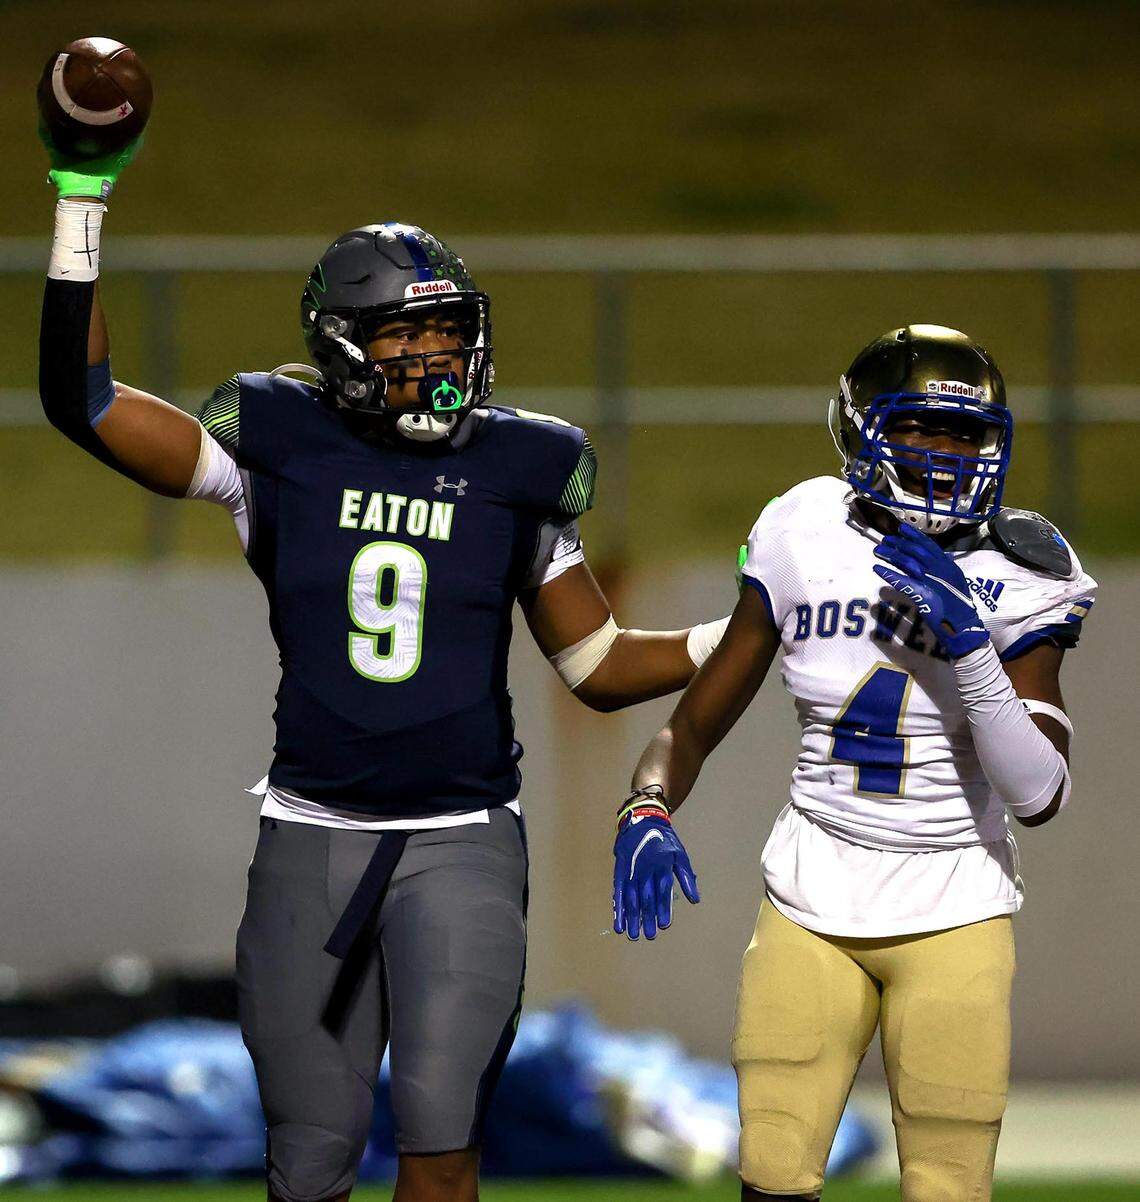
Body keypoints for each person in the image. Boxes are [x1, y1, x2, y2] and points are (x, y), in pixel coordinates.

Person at [37, 141, 730, 1202]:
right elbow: (81, 400)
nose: (436, 354)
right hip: (311, 836)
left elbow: (595, 664)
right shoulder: (274, 441)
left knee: (445, 1153)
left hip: (462, 843)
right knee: (309, 1156)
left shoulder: (519, 462)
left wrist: (755, 628)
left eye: (451, 329)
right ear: (343, 344)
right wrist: (81, 196)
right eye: (408, 333)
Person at [611, 325, 1097, 1200]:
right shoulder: (803, 526)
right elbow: (695, 720)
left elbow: (1040, 793)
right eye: (919, 428)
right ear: (861, 431)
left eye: (965, 433)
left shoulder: (1025, 565)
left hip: (957, 903)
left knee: (949, 1184)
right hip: (811, 894)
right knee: (773, 1173)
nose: (947, 454)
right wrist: (646, 804)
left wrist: (972, 651)